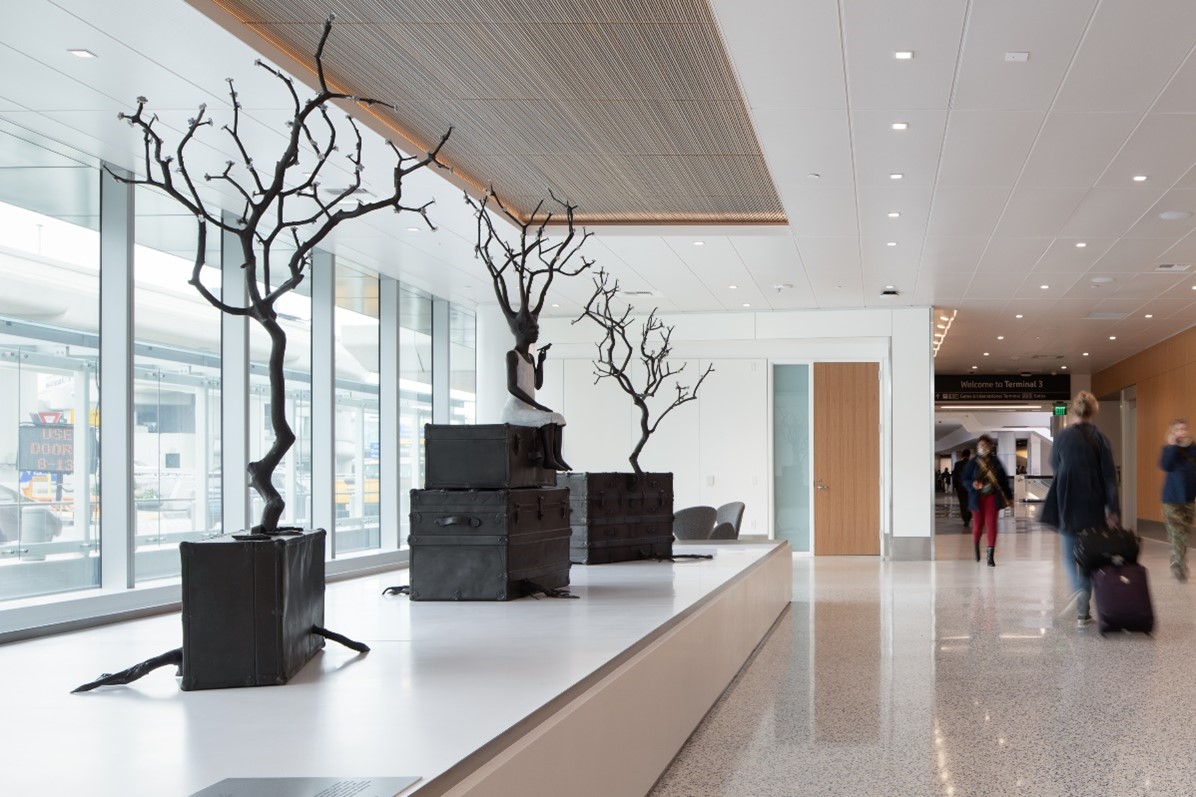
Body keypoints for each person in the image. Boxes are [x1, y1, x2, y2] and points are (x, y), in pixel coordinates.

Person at [1040, 391, 1120, 628]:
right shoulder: (1101, 439)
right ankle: (1082, 612)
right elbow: (1109, 478)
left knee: (1068, 555)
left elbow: (1055, 464)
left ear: (1074, 411)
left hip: (1067, 502)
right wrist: (1113, 510)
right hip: (1093, 505)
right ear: (1093, 411)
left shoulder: (1063, 437)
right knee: (1089, 558)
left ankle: (1077, 590)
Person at [502, 308, 570, 471]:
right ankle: (549, 458)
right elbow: (512, 387)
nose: (536, 332)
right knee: (548, 418)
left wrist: (540, 362)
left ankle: (557, 456)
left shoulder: (530, 358)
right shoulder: (513, 355)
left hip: (528, 408)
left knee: (558, 418)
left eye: (537, 329)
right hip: (515, 411)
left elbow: (537, 384)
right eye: (533, 329)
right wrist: (538, 406)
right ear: (520, 330)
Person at [963, 435, 1012, 566]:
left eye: (985, 446)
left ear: (990, 447)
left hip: (992, 496)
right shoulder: (972, 463)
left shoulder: (996, 463)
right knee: (978, 526)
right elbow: (964, 479)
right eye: (980, 446)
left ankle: (990, 555)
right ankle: (976, 543)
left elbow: (1004, 481)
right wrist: (972, 484)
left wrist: (1009, 497)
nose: (983, 448)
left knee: (991, 525)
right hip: (977, 497)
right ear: (977, 447)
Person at [1159, 418, 1196, 582]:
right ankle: (1179, 564)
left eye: (1184, 429)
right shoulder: (1168, 450)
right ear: (1173, 433)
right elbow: (1165, 465)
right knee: (1177, 534)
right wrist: (1173, 445)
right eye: (1178, 430)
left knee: (1184, 533)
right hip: (1171, 501)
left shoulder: (1193, 450)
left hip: (1189, 499)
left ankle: (1177, 559)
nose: (1182, 432)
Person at [952, 449, 973, 527]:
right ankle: (969, 516)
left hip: (960, 487)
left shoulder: (957, 464)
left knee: (963, 504)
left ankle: (965, 520)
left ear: (962, 455)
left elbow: (955, 476)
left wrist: (955, 486)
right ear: (969, 455)